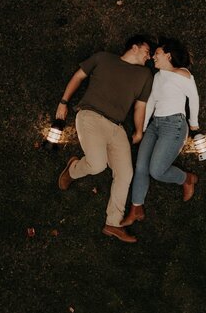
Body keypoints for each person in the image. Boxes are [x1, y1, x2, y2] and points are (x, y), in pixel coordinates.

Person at [55, 35, 154, 243]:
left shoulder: (145, 75)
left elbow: (140, 106)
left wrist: (138, 131)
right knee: (97, 164)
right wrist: (64, 102)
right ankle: (72, 170)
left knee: (126, 173)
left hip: (116, 129)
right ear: (134, 47)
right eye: (146, 51)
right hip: (90, 116)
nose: (149, 56)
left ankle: (113, 223)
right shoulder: (103, 58)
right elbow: (79, 76)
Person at [121, 38, 200, 227]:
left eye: (156, 53)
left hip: (174, 125)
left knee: (156, 171)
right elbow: (151, 103)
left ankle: (187, 179)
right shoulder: (156, 77)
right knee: (141, 167)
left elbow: (194, 98)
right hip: (155, 126)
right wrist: (143, 129)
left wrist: (194, 124)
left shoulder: (183, 74)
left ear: (168, 55)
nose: (153, 57)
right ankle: (136, 208)